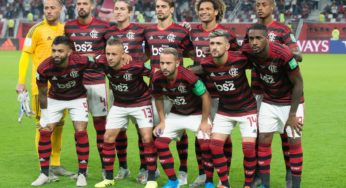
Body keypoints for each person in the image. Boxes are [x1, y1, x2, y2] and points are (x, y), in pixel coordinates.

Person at [243, 1, 303, 186]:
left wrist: (283, 52)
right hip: (258, 90)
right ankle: (260, 175)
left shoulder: (282, 29)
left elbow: (297, 54)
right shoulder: (252, 31)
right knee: (258, 134)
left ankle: (289, 173)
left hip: (280, 88)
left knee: (287, 134)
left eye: (264, 4)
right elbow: (243, 55)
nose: (260, 8)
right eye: (257, 4)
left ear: (272, 7)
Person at [16, 0, 73, 181]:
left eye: (52, 7)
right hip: (41, 88)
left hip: (63, 87)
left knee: (59, 126)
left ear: (60, 9)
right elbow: (25, 56)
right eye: (46, 8)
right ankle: (45, 168)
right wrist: (20, 82)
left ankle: (55, 164)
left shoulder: (65, 30)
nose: (48, 11)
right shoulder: (36, 30)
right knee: (43, 126)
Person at [32, 36, 96, 186]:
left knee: (81, 132)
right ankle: (44, 173)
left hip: (77, 98)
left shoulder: (80, 61)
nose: (56, 54)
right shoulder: (44, 67)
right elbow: (42, 93)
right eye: (53, 50)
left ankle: (82, 174)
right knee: (45, 131)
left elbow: (99, 63)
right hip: (55, 99)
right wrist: (45, 117)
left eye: (60, 51)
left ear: (69, 53)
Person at [94, 38, 158, 188]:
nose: (110, 57)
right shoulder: (103, 61)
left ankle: (151, 179)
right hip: (119, 104)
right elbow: (88, 57)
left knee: (147, 138)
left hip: (140, 103)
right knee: (108, 137)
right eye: (108, 53)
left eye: (114, 54)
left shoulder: (136, 65)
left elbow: (156, 75)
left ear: (123, 54)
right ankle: (108, 179)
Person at [188, 1, 239, 186]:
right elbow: (186, 50)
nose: (204, 12)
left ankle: (224, 176)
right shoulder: (193, 32)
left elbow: (236, 59)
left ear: (216, 11)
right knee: (199, 133)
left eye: (208, 9)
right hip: (197, 91)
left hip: (220, 92)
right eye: (201, 9)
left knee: (222, 134)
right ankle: (203, 173)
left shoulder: (227, 34)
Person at [144, 0, 193, 185]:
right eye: (157, 6)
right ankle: (154, 168)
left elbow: (192, 55)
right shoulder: (148, 32)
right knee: (156, 130)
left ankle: (183, 170)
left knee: (181, 132)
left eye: (164, 6)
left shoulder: (182, 31)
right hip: (156, 90)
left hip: (178, 90)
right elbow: (146, 55)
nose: (160, 9)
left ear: (172, 9)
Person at [201, 30, 257, 188]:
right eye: (212, 43)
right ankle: (224, 184)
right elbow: (193, 73)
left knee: (248, 148)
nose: (214, 47)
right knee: (214, 146)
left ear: (227, 46)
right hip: (225, 110)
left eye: (218, 43)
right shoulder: (206, 63)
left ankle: (248, 184)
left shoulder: (239, 59)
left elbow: (259, 61)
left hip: (247, 109)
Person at [151, 47, 212, 188]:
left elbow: (205, 96)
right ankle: (173, 180)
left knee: (206, 145)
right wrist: (161, 121)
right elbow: (158, 98)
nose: (164, 67)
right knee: (160, 143)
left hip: (196, 113)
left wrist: (204, 121)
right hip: (176, 113)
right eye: (162, 63)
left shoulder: (188, 77)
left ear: (177, 63)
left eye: (168, 63)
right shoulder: (158, 77)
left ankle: (208, 182)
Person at [105, 0, 149, 182]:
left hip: (137, 87)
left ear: (130, 12)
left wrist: (136, 62)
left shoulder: (140, 30)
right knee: (118, 131)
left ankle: (145, 168)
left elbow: (152, 50)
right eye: (116, 9)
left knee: (143, 131)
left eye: (122, 9)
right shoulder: (108, 32)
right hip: (116, 88)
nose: (119, 12)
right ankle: (123, 167)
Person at [64, 0, 109, 177]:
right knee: (79, 130)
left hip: (97, 82)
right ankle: (83, 169)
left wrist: (92, 57)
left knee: (101, 128)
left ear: (92, 6)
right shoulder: (69, 27)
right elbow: (67, 52)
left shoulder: (103, 26)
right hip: (76, 84)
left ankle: (106, 168)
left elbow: (109, 54)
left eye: (85, 3)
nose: (81, 6)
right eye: (79, 4)